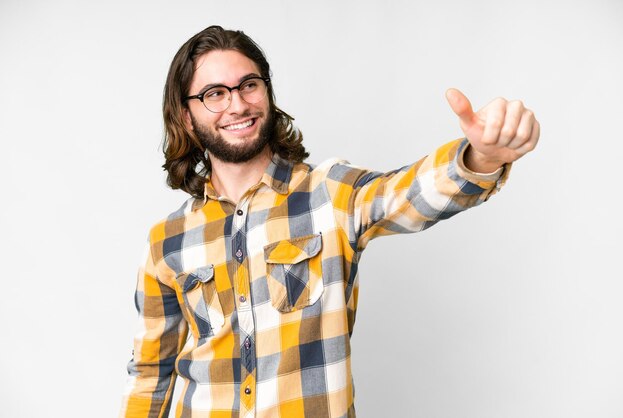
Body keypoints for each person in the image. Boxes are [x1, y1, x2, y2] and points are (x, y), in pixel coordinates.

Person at [119, 25, 540, 418]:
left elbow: (408, 193)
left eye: (249, 85)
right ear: (187, 116)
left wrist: (481, 156)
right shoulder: (166, 242)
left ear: (267, 92)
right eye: (215, 93)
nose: (238, 103)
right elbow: (151, 376)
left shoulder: (330, 193)